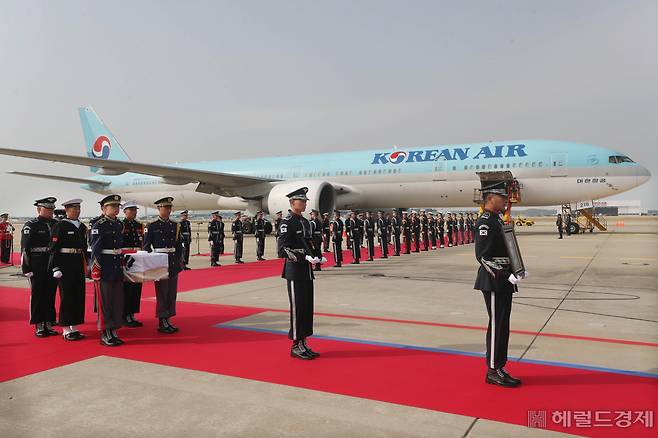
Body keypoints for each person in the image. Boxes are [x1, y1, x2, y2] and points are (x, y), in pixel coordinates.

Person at [474, 182, 525, 388]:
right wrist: (505, 276)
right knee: (497, 326)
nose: (506, 201)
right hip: (494, 281)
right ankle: (493, 370)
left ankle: (499, 366)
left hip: (503, 280)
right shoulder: (486, 222)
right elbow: (483, 257)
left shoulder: (496, 220)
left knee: (503, 326)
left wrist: (518, 269)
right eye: (502, 197)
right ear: (490, 198)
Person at [277, 187, 321, 360]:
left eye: (305, 201)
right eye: (301, 201)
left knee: (306, 308)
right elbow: (283, 250)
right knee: (297, 308)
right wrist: (304, 256)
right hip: (294, 271)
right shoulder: (287, 223)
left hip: (306, 271)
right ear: (292, 202)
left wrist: (317, 255)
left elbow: (310, 242)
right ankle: (295, 345)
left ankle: (303, 342)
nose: (304, 203)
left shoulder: (305, 222)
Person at [143, 197, 184, 334]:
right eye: (165, 208)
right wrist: (150, 264)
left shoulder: (175, 225)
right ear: (159, 209)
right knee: (162, 293)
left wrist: (180, 261)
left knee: (171, 293)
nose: (168, 210)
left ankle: (168, 318)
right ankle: (162, 319)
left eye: (169, 208)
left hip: (172, 261)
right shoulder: (152, 225)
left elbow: (178, 246)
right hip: (159, 261)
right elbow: (147, 247)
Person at [48, 199, 88, 341]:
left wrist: (86, 265)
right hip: (65, 264)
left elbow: (84, 248)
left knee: (78, 296)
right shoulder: (60, 226)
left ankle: (75, 326)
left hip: (77, 263)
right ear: (67, 210)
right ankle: (66, 328)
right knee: (67, 297)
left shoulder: (82, 226)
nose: (77, 210)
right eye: (74, 208)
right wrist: (56, 267)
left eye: (78, 208)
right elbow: (53, 248)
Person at [90, 195, 126, 346]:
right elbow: (95, 249)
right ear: (104, 209)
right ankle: (105, 332)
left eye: (118, 206)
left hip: (116, 266)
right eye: (113, 206)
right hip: (105, 267)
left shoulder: (118, 224)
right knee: (105, 303)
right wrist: (96, 269)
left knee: (117, 301)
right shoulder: (99, 225)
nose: (116, 209)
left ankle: (114, 330)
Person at [21, 197, 59, 337]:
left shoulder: (57, 224)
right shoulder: (31, 225)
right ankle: (38, 325)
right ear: (39, 209)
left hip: (52, 264)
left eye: (51, 209)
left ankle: (48, 323)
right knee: (37, 295)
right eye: (47, 209)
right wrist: (26, 268)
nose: (50, 212)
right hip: (37, 264)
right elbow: (25, 248)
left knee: (50, 294)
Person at [121, 201, 144, 327]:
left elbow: (142, 242)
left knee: (136, 288)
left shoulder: (139, 225)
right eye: (131, 210)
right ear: (124, 212)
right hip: (126, 259)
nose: (134, 212)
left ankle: (132, 314)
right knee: (126, 289)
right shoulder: (121, 225)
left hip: (137, 258)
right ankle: (125, 314)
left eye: (135, 210)